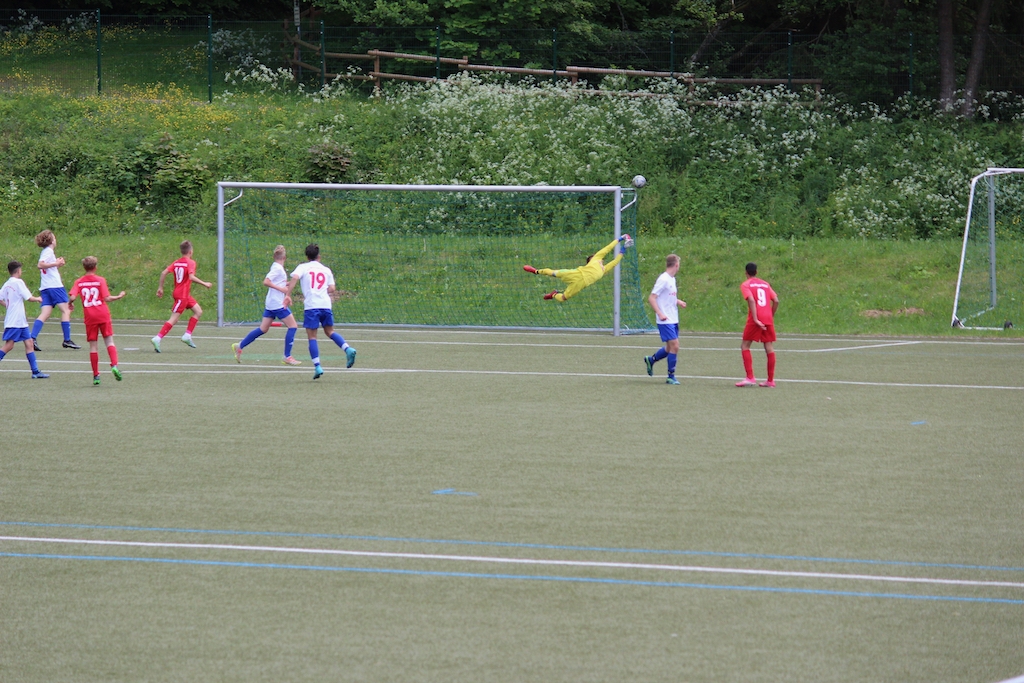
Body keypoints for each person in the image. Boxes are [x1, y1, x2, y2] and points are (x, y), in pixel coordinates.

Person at [284, 244, 356, 379]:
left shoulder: (303, 267)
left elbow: (294, 279)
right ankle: (347, 348)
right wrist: (321, 291)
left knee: (312, 337)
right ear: (319, 256)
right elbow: (332, 288)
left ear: (307, 257)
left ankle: (317, 366)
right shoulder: (326, 269)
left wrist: (288, 295)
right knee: (330, 332)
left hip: (312, 306)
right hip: (325, 305)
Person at [232, 245, 302, 366]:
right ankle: (287, 356)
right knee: (293, 326)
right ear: (284, 257)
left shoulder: (276, 267)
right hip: (277, 303)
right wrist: (281, 289)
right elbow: (266, 282)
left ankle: (240, 345)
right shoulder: (278, 269)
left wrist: (288, 284)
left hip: (271, 303)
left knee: (263, 329)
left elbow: (277, 282)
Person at [68, 256, 126, 385]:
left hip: (90, 316)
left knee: (93, 346)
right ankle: (114, 365)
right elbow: (107, 298)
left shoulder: (79, 282)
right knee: (109, 341)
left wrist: (70, 303)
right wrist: (119, 296)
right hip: (103, 314)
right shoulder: (100, 280)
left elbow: (72, 296)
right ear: (95, 267)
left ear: (84, 267)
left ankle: (96, 375)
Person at [523, 235, 631, 302]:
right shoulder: (596, 258)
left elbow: (614, 261)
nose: (593, 256)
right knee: (553, 273)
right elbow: (608, 248)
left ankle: (553, 294)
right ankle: (536, 271)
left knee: (563, 298)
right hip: (576, 273)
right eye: (591, 257)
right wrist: (620, 239)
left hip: (581, 284)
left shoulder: (604, 269)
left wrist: (623, 247)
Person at [151, 240, 211, 352]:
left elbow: (163, 273)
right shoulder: (190, 262)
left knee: (198, 311)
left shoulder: (177, 262)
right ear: (190, 251)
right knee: (174, 319)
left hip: (184, 295)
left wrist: (160, 287)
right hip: (182, 296)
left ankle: (187, 336)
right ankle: (157, 338)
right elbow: (191, 277)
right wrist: (205, 283)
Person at [30, 229, 80, 351]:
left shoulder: (46, 252)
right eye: (54, 238)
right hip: (54, 286)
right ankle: (67, 340)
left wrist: (57, 264)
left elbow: (46, 266)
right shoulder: (48, 251)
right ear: (51, 240)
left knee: (45, 313)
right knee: (66, 310)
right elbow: (40, 265)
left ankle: (32, 338)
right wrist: (55, 264)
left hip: (46, 286)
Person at [0, 261, 49, 378]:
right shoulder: (18, 282)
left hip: (21, 321)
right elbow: (29, 298)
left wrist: (8, 306)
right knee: (9, 345)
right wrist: (38, 298)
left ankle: (35, 372)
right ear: (18, 271)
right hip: (15, 321)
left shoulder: (7, 284)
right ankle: (35, 371)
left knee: (29, 343)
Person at [644, 254, 687, 385]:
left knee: (669, 348)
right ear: (676, 265)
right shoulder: (663, 279)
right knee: (675, 346)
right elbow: (652, 298)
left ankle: (651, 360)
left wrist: (678, 301)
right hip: (665, 320)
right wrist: (660, 313)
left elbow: (668, 296)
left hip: (673, 318)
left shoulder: (672, 279)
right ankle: (670, 376)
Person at [736, 262, 779, 388]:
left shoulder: (746, 284)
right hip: (767, 317)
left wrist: (755, 318)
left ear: (746, 273)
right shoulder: (765, 284)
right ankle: (770, 380)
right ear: (756, 272)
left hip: (756, 317)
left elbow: (751, 299)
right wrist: (771, 314)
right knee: (769, 347)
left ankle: (750, 377)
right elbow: (776, 300)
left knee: (745, 345)